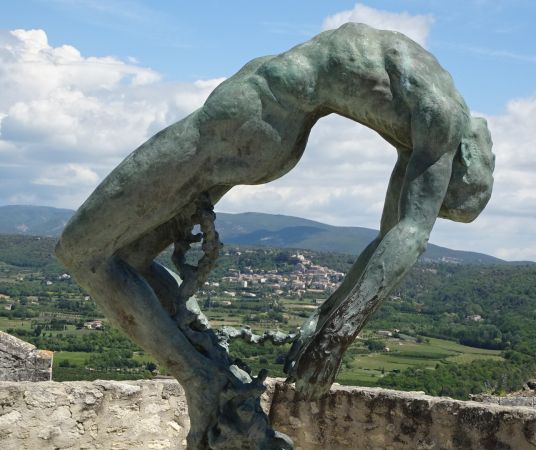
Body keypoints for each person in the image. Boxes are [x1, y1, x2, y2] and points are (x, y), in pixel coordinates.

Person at [55, 22, 494, 447]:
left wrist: (330, 330)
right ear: (460, 171)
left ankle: (199, 377)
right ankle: (209, 366)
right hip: (262, 124)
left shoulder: (434, 100)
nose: (432, 199)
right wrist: (329, 331)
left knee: (80, 251)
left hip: (252, 118)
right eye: (442, 200)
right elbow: (402, 233)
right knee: (124, 260)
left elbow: (402, 235)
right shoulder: (439, 122)